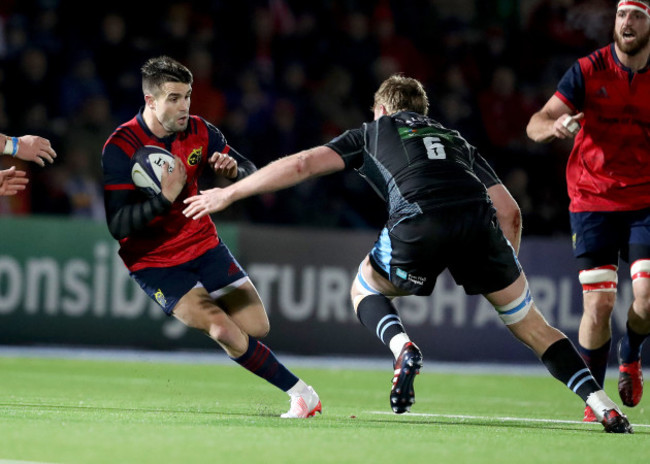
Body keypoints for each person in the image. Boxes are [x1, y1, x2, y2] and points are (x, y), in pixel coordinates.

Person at [183, 74, 633, 433]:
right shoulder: (456, 139)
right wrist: (500, 270)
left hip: (419, 217)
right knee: (534, 326)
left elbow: (301, 164)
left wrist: (230, 194)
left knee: (364, 288)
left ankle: (403, 349)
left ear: (381, 109)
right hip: (479, 221)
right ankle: (603, 406)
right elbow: (510, 212)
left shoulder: (373, 130)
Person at [101, 56, 321, 419]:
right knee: (223, 329)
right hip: (154, 262)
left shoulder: (202, 132)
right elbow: (118, 225)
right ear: (151, 101)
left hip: (203, 244)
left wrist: (235, 172)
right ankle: (302, 394)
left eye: (187, 96)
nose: (184, 105)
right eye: (173, 98)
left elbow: (251, 172)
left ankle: (296, 391)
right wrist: (163, 199)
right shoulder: (121, 146)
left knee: (255, 327)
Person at [526, 0, 650, 422]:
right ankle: (596, 399)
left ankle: (630, 352)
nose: (627, 23)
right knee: (598, 307)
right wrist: (554, 128)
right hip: (593, 197)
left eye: (637, 15)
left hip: (644, 200)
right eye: (621, 15)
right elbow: (536, 121)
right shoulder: (588, 69)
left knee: (647, 298)